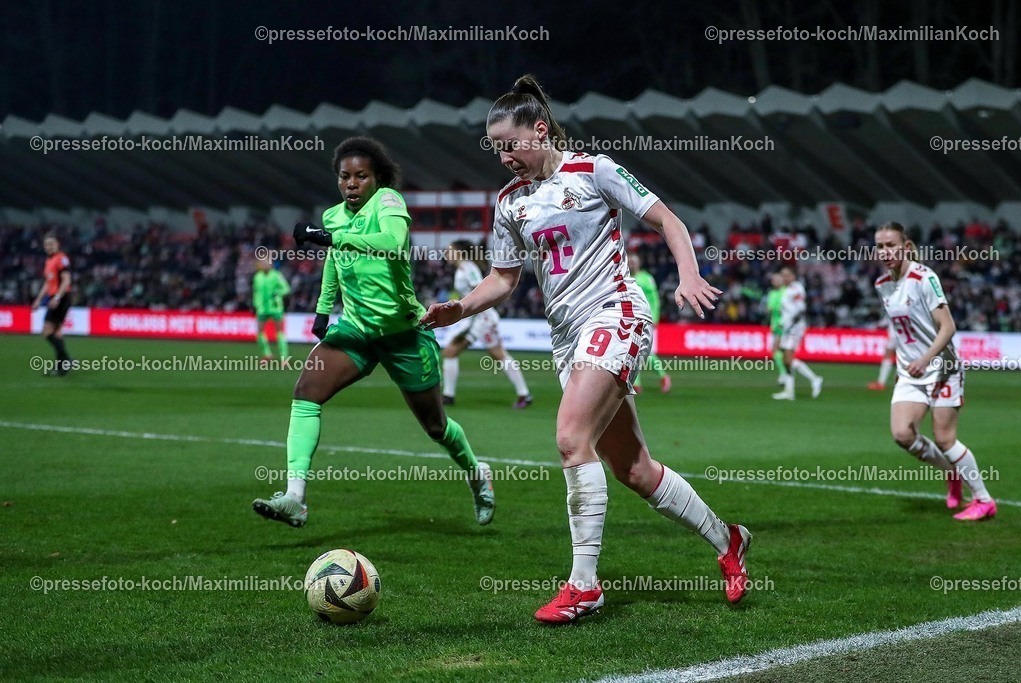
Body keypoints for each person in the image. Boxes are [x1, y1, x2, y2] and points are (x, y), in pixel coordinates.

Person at [421, 75, 751, 624]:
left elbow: (668, 219)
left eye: (510, 144)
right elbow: (504, 279)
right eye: (495, 148)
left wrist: (687, 275)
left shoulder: (594, 170)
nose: (503, 157)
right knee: (635, 469)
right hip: (566, 337)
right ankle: (729, 540)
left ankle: (584, 586)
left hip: (617, 315)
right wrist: (459, 308)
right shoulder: (509, 202)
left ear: (540, 130)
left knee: (572, 438)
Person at [252, 137, 494, 528]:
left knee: (435, 426)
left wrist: (332, 237)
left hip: (404, 333)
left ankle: (476, 472)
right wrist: (321, 310)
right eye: (344, 176)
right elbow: (334, 261)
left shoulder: (389, 203)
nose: (351, 183)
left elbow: (391, 243)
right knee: (306, 392)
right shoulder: (332, 217)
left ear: (376, 178)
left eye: (361, 176)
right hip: (358, 331)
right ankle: (295, 497)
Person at [874, 222, 996, 521]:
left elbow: (948, 326)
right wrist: (909, 359)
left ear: (905, 245)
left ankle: (984, 500)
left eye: (891, 245)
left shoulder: (923, 277)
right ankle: (951, 473)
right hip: (911, 371)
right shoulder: (882, 284)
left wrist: (927, 358)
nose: (885, 251)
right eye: (880, 246)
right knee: (902, 434)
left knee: (944, 439)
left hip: (942, 367)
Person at [440, 239, 532, 408]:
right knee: (498, 355)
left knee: (451, 351)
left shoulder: (468, 268)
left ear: (459, 252)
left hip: (483, 318)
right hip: (478, 318)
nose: (446, 254)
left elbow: (480, 291)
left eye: (449, 251)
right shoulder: (461, 270)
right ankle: (524, 395)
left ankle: (448, 395)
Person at [771, 266, 823, 400]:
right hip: (788, 326)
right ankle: (789, 391)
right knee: (785, 359)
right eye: (783, 275)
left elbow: (800, 309)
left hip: (794, 327)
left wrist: (788, 325)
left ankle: (815, 379)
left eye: (787, 275)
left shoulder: (796, 289)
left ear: (793, 276)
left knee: (788, 358)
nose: (785, 278)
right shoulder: (787, 290)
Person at [627, 252, 670, 393]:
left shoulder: (646, 278)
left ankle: (662, 376)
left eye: (634, 261)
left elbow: (655, 298)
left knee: (646, 352)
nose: (631, 263)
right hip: (632, 319)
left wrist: (655, 317)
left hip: (647, 318)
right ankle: (636, 383)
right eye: (630, 261)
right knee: (632, 351)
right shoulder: (626, 277)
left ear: (639, 263)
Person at [31, 234, 73, 376]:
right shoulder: (49, 261)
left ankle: (65, 361)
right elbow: (47, 283)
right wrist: (38, 299)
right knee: (56, 332)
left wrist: (57, 297)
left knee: (47, 331)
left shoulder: (61, 259)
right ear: (44, 247)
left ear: (57, 245)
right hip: (55, 297)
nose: (50, 247)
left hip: (61, 298)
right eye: (47, 245)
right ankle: (62, 365)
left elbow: (66, 280)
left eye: (52, 244)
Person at [252, 257, 291, 364]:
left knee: (279, 332)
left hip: (275, 307)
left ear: (271, 264)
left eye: (266, 263)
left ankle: (284, 357)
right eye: (262, 263)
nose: (264, 265)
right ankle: (267, 354)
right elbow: (256, 292)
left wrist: (278, 293)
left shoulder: (276, 275)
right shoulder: (257, 276)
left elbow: (286, 289)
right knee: (259, 332)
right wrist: (255, 304)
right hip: (262, 309)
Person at [765, 272, 787, 386]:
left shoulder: (786, 292)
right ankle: (785, 374)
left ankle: (784, 374)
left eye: (777, 279)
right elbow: (769, 309)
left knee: (776, 349)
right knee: (777, 351)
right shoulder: (772, 293)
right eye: (773, 280)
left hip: (783, 324)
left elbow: (785, 308)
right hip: (774, 324)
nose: (775, 281)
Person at [868, 319, 897, 390]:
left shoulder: (894, 308)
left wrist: (876, 326)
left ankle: (881, 382)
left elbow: (886, 321)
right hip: (905, 335)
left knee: (887, 356)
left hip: (895, 334)